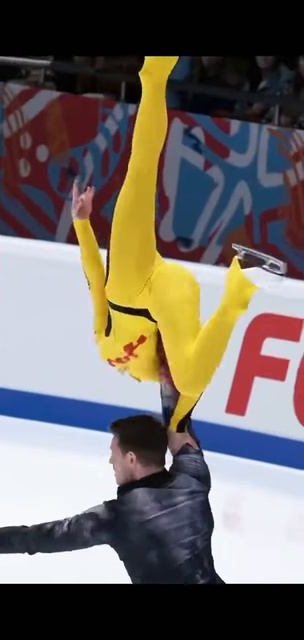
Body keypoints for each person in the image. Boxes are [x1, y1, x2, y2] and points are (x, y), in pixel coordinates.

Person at [72, 55, 258, 431]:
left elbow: (95, 278)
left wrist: (82, 224)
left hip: (126, 283)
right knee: (190, 380)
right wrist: (176, 424)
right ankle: (237, 293)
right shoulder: (159, 373)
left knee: (140, 171)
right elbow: (192, 378)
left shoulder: (105, 346)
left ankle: (153, 76)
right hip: (161, 297)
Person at [0, 414, 224, 584]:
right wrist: (169, 375)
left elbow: (31, 539)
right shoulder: (193, 481)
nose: (110, 460)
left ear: (131, 458)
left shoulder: (119, 517)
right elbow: (181, 429)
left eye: (114, 454)